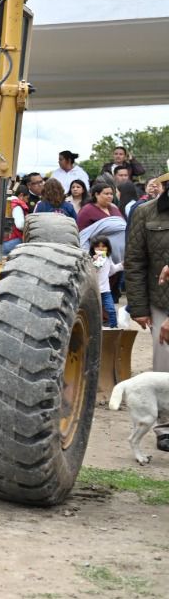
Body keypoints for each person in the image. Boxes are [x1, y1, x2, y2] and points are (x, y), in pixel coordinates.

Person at [123, 173, 169, 453]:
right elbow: (135, 261)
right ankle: (164, 427)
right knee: (164, 363)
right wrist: (139, 307)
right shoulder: (145, 213)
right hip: (160, 300)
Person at [92, 237, 122, 329]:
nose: (100, 249)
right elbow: (93, 270)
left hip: (105, 290)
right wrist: (94, 261)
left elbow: (112, 270)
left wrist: (121, 265)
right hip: (94, 291)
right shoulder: (90, 258)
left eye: (103, 246)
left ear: (108, 248)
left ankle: (114, 328)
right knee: (94, 312)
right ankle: (94, 329)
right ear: (93, 248)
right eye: (97, 247)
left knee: (111, 310)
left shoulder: (108, 258)